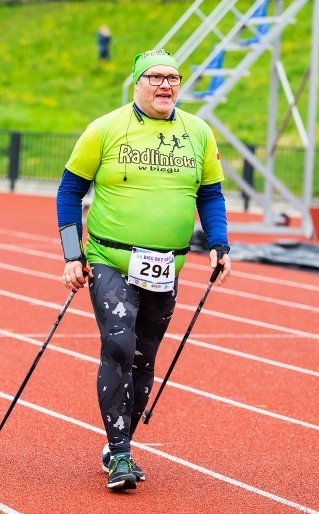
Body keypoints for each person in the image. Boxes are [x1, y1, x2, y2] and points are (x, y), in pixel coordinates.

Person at [55, 48, 232, 491]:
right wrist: (71, 255)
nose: (166, 85)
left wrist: (219, 243)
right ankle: (120, 456)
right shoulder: (105, 129)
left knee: (144, 356)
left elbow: (210, 195)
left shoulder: (199, 133)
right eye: (155, 77)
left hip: (166, 264)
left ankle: (119, 444)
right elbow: (69, 190)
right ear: (137, 83)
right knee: (118, 345)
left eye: (173, 77)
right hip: (109, 258)